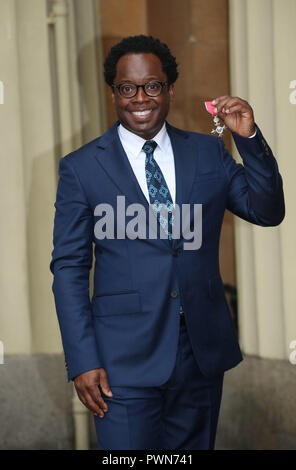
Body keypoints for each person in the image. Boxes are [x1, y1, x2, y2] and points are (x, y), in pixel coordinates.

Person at [50, 35, 285, 450]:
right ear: (113, 93)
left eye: (152, 85)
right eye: (128, 88)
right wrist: (83, 360)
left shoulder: (209, 153)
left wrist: (248, 138)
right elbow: (68, 268)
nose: (140, 97)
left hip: (200, 355)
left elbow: (267, 211)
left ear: (169, 89)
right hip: (120, 362)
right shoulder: (82, 168)